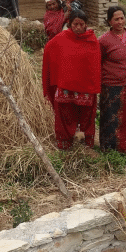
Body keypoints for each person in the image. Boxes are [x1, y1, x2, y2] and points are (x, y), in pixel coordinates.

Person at [42, 9, 101, 149]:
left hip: (86, 88)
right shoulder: (62, 37)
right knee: (64, 115)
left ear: (86, 24)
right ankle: (64, 143)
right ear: (69, 24)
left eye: (81, 24)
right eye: (75, 24)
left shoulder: (92, 41)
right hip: (65, 88)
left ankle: (86, 144)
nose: (78, 27)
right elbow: (49, 48)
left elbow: (95, 65)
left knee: (86, 116)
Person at [99, 5, 126, 155]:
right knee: (112, 117)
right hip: (111, 85)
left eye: (122, 18)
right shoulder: (104, 41)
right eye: (116, 19)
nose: (120, 21)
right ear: (109, 21)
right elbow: (98, 62)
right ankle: (111, 149)